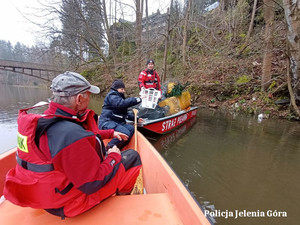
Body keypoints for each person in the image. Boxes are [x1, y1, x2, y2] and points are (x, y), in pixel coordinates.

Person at [3, 71, 142, 218]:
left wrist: (109, 133)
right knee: (132, 157)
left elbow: (76, 138)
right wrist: (114, 156)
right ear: (79, 98)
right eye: (88, 95)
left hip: (47, 195)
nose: (90, 98)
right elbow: (92, 183)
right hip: (69, 202)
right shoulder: (70, 134)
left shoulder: (46, 120)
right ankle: (122, 200)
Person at [99, 79, 143, 150]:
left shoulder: (118, 98)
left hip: (116, 122)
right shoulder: (112, 95)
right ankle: (108, 148)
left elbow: (125, 115)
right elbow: (121, 104)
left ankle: (119, 147)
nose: (124, 91)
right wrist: (137, 99)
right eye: (122, 89)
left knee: (131, 129)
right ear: (116, 89)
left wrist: (137, 119)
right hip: (107, 122)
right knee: (125, 133)